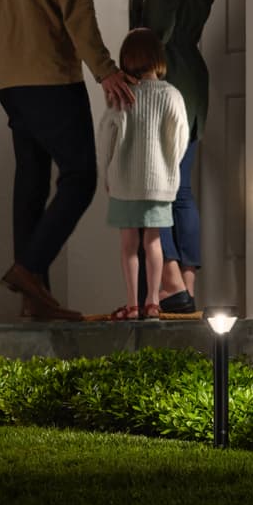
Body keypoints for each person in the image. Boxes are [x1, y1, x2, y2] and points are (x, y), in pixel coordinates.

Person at [0, 0, 136, 321]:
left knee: (30, 180)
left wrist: (5, 69)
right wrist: (106, 70)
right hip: (51, 78)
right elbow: (78, 14)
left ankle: (37, 300)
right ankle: (29, 268)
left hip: (10, 81)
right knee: (80, 177)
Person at [129, 0, 217, 318]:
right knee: (181, 190)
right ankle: (188, 285)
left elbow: (158, 25)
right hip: (196, 80)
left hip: (166, 77)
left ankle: (169, 285)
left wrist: (137, 71)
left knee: (153, 190)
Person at [96, 28, 190, 321]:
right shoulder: (172, 94)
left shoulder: (121, 96)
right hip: (158, 184)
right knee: (153, 243)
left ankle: (132, 302)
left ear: (126, 58)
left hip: (125, 182)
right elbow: (181, 138)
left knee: (128, 246)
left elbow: (106, 138)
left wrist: (107, 173)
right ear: (158, 58)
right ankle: (152, 301)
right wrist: (169, 168)